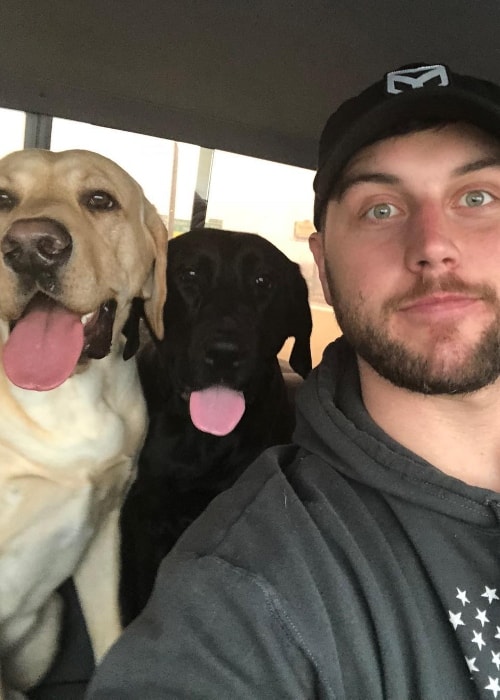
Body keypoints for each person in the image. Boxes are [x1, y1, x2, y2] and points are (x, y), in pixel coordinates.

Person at [86, 62, 500, 699]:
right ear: (325, 269)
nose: (433, 244)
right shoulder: (249, 581)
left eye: (478, 197)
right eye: (381, 207)